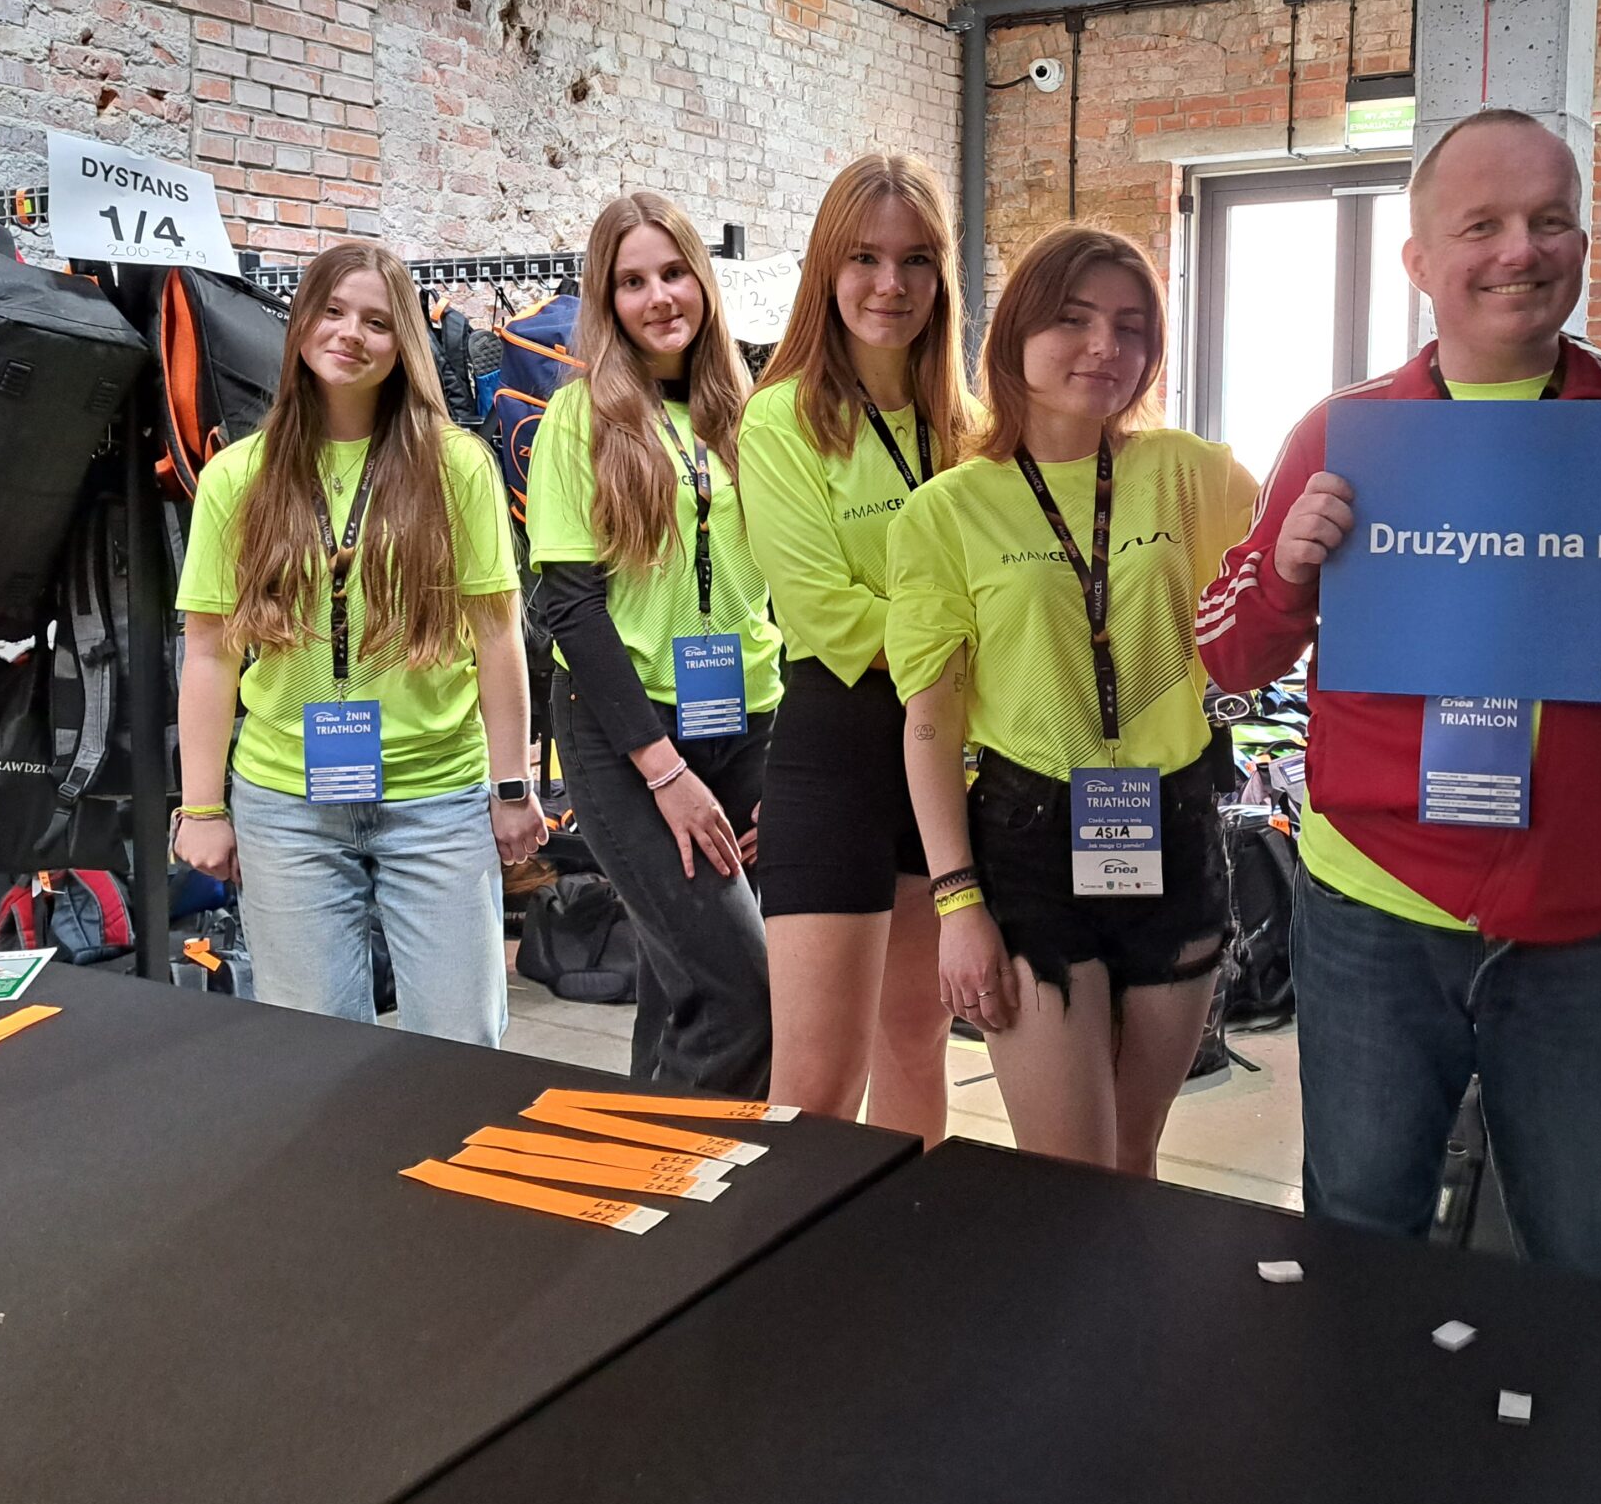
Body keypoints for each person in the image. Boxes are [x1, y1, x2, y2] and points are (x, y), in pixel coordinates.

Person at [1195, 107, 1601, 1279]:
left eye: (1549, 221)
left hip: (1586, 923)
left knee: (1582, 1254)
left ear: (1581, 242)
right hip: (1375, 907)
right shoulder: (1342, 434)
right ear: (1418, 260)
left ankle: (1568, 1407)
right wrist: (1286, 572)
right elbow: (1228, 658)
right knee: (1357, 1234)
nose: (1519, 251)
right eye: (1480, 225)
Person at [891, 224, 1258, 1173]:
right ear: (1016, 332)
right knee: (1071, 1176)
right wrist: (956, 904)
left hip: (1176, 829)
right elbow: (929, 723)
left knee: (1132, 1161)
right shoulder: (949, 510)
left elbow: (1289, 579)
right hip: (1027, 845)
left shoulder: (1192, 474)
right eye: (1074, 319)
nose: (1105, 346)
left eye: (1132, 327)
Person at [173, 238, 544, 1044]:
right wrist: (200, 807)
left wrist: (512, 786)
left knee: (462, 1043)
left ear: (404, 341)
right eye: (333, 311)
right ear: (300, 323)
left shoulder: (457, 466)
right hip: (286, 805)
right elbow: (208, 652)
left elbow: (497, 638)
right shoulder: (239, 474)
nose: (351, 334)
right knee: (316, 1048)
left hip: (437, 797)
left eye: (377, 321)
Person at [526, 192, 782, 1093]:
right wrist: (665, 774)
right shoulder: (579, 419)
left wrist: (785, 761)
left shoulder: (749, 416)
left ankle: (650, 1156)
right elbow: (571, 610)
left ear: (703, 281)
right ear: (607, 299)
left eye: (674, 273)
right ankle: (703, 1173)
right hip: (624, 731)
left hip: (748, 720)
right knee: (743, 992)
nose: (659, 297)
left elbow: (787, 591)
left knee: (682, 988)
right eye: (632, 282)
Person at [739, 154, 970, 1139]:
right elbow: (827, 615)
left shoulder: (967, 426)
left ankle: (910, 1236)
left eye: (916, 260)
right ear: (826, 269)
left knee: (918, 1044)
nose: (890, 285)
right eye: (865, 258)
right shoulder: (781, 419)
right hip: (839, 753)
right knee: (815, 1089)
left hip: (948, 765)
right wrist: (963, 642)